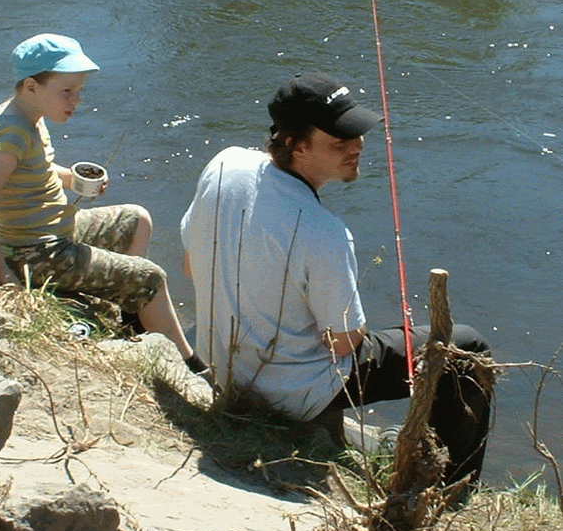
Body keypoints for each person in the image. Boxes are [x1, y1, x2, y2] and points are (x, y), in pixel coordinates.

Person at [180, 72, 492, 485]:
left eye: (357, 134)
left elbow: (189, 267)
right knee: (466, 345)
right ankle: (451, 483)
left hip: (221, 364)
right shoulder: (323, 232)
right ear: (296, 144)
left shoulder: (224, 164)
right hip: (296, 394)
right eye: (339, 141)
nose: (357, 147)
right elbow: (344, 342)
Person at [0, 33, 206, 373]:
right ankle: (190, 365)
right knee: (151, 276)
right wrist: (2, 272)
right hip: (35, 252)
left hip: (56, 229)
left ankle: (133, 317)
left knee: (137, 218)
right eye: (67, 91)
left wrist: (72, 180)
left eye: (78, 90)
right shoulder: (12, 134)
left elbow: (35, 169)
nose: (76, 99)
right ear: (32, 86)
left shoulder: (26, 115)